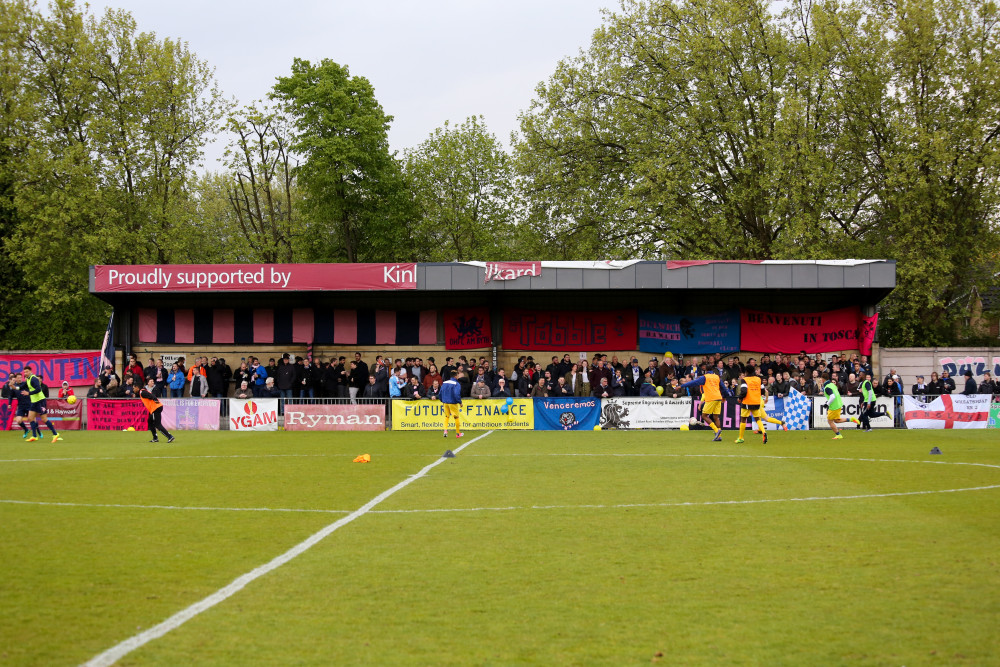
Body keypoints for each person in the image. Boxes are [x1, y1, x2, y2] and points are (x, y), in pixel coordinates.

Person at [680, 371, 732, 441]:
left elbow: (693, 382)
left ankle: (716, 431)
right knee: (716, 417)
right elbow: (723, 387)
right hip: (718, 398)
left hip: (711, 398)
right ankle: (719, 436)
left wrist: (681, 386)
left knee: (704, 416)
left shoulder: (705, 377)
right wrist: (725, 396)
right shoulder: (717, 377)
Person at [21, 365, 60, 443]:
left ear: (30, 371)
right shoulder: (28, 380)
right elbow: (21, 387)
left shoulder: (33, 379)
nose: (25, 373)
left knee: (44, 419)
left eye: (27, 371)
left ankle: (55, 434)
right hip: (34, 402)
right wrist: (13, 387)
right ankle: (34, 436)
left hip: (40, 401)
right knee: (30, 418)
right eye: (24, 372)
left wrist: (28, 393)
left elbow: (38, 389)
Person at [822, 371, 859, 439]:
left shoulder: (827, 387)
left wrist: (827, 404)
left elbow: (832, 396)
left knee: (830, 421)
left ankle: (838, 434)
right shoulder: (832, 385)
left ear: (823, 379)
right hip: (838, 404)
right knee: (836, 420)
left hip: (834, 406)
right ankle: (851, 419)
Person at [140, 378, 174, 443]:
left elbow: (151, 395)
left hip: (155, 408)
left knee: (157, 424)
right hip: (157, 407)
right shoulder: (146, 390)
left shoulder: (142, 391)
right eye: (151, 381)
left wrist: (154, 398)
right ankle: (155, 438)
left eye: (133, 388)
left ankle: (169, 436)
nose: (133, 389)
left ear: (136, 387)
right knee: (150, 421)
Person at [440, 370, 463, 439]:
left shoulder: (444, 382)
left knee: (447, 416)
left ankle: (445, 431)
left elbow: (440, 393)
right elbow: (456, 394)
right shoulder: (456, 384)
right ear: (456, 376)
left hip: (445, 402)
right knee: (456, 417)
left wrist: (442, 400)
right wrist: (459, 402)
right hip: (452, 402)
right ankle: (458, 433)